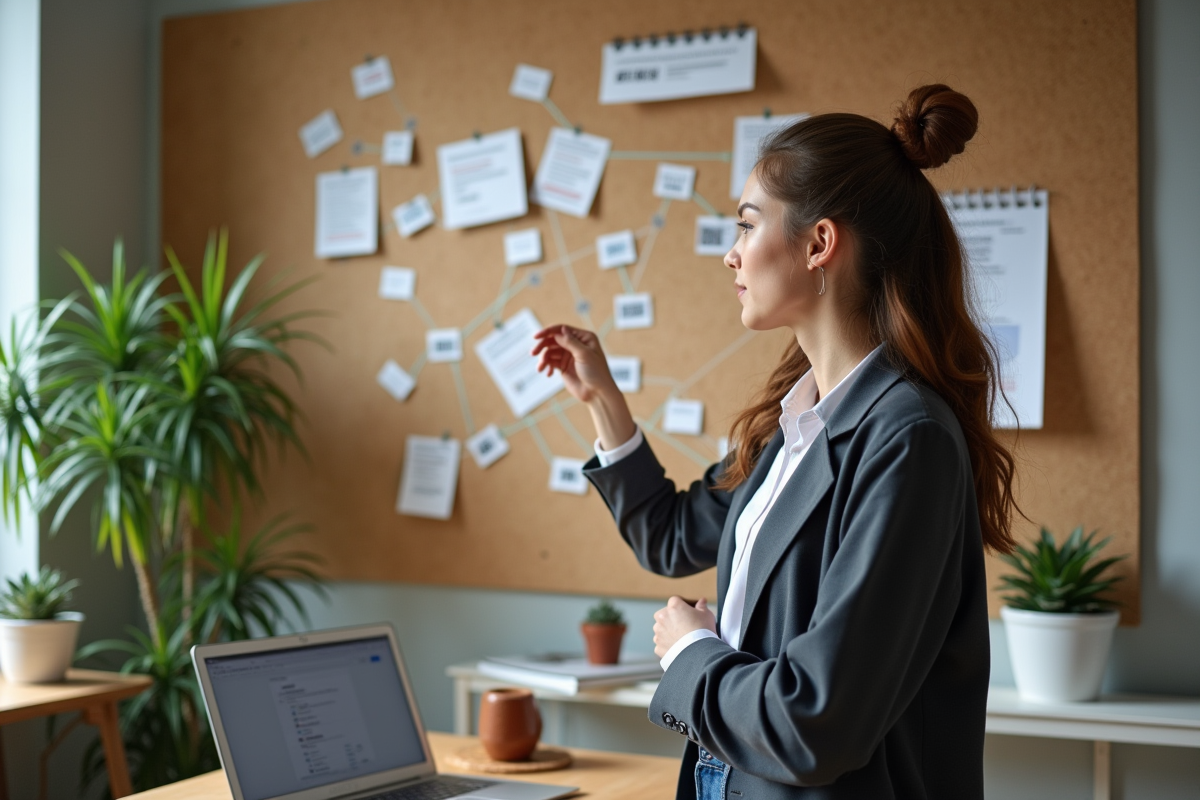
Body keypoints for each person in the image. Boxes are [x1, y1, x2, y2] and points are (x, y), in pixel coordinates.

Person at [532, 84, 1019, 800]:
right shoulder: (788, 427)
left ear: (820, 243)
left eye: (746, 224)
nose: (731, 255)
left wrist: (692, 651)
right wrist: (603, 398)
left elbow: (814, 720)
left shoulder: (907, 440)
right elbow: (668, 538)